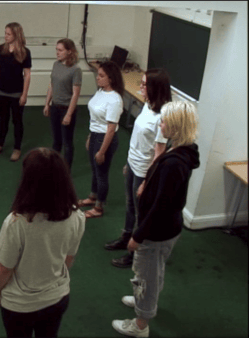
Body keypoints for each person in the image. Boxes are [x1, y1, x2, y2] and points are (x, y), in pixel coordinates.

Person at [112, 101, 200, 337]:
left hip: (156, 232)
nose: (160, 124)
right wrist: (147, 185)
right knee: (154, 272)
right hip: (167, 229)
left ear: (175, 125)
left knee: (145, 277)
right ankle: (146, 304)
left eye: (164, 121)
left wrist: (138, 236)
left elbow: (160, 207)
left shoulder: (174, 163)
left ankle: (141, 323)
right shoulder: (183, 150)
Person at [0, 148, 85, 338]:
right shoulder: (77, 216)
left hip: (19, 306)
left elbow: (4, 268)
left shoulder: (16, 222)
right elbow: (68, 258)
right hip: (57, 298)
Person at [107, 69, 171, 269]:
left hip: (145, 171)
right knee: (130, 206)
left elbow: (159, 153)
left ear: (155, 88)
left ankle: (134, 253)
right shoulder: (147, 106)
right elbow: (137, 138)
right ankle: (125, 238)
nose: (140, 87)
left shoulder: (163, 116)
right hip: (133, 164)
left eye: (144, 85)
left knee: (141, 213)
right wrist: (128, 162)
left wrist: (146, 181)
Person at [78, 61, 124, 218]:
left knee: (101, 173)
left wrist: (102, 151)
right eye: (98, 75)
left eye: (101, 76)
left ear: (111, 78)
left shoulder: (115, 100)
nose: (97, 78)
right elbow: (95, 119)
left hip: (105, 139)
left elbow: (110, 129)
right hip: (95, 135)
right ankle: (92, 197)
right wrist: (90, 137)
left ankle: (98, 207)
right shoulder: (100, 91)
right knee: (95, 170)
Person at [0, 22, 31, 162]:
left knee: (17, 121)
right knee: (3, 120)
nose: (5, 36)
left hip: (16, 94)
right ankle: (0, 144)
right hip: (2, 92)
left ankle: (17, 148)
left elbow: (27, 75)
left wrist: (24, 94)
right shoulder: (1, 49)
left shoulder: (25, 52)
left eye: (8, 34)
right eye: (5, 33)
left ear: (16, 35)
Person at [42, 38, 82, 170]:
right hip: (55, 107)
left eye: (60, 50)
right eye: (56, 50)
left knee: (67, 143)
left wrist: (69, 114)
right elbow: (52, 85)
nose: (57, 53)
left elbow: (75, 94)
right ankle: (54, 167)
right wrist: (47, 103)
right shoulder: (56, 64)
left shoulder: (75, 70)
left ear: (69, 52)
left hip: (66, 109)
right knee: (56, 140)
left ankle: (66, 170)